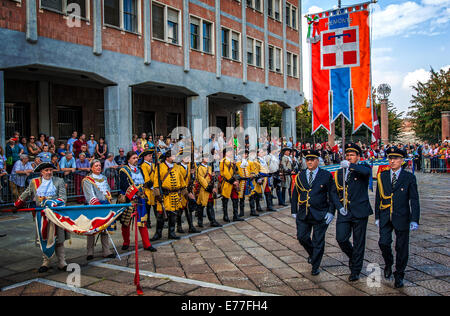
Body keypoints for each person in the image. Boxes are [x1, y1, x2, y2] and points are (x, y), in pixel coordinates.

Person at [375, 146, 420, 288]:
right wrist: (377, 216)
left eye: (396, 158)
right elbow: (378, 198)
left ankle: (399, 274)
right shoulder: (382, 176)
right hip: (385, 215)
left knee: (401, 247)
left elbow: (414, 199)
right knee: (383, 242)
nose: (392, 161)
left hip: (402, 216)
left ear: (402, 160)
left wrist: (414, 219)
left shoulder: (409, 177)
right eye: (390, 158)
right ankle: (388, 262)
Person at [291, 149, 340, 276]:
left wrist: (331, 212)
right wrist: (293, 210)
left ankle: (315, 265)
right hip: (304, 212)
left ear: (318, 161)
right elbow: (295, 193)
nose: (310, 162)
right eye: (307, 160)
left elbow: (332, 194)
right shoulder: (300, 175)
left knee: (318, 240)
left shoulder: (326, 175)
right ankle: (314, 254)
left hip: (320, 212)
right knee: (302, 237)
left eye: (312, 160)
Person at [14, 162, 70, 273]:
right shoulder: (34, 182)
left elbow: (63, 198)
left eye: (50, 170)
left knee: (59, 239)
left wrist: (51, 203)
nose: (49, 172)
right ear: (41, 172)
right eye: (46, 170)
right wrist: (16, 205)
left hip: (56, 214)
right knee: (44, 239)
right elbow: (26, 193)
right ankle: (46, 262)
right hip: (42, 216)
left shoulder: (59, 181)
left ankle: (62, 262)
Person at [333, 143, 373, 282]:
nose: (349, 157)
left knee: (358, 242)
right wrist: (339, 207)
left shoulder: (363, 168)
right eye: (347, 155)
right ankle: (353, 257)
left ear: (358, 157)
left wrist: (350, 166)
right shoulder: (340, 172)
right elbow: (334, 192)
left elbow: (366, 172)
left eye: (352, 155)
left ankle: (355, 270)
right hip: (345, 211)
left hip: (360, 211)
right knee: (341, 238)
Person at [152, 149, 196, 240]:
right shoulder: (160, 167)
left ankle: (171, 233)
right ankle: (158, 233)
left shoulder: (177, 167)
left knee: (173, 215)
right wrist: (157, 195)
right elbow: (156, 183)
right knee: (160, 216)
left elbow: (182, 183)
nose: (175, 158)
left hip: (175, 195)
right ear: (167, 158)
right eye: (173, 156)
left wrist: (186, 195)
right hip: (164, 195)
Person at [118, 151, 156, 252]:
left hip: (140, 198)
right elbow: (124, 185)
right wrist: (135, 192)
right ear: (129, 159)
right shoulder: (123, 170)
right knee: (126, 222)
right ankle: (126, 242)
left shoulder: (140, 169)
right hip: (128, 199)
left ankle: (146, 244)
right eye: (134, 158)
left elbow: (143, 182)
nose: (136, 160)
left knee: (142, 221)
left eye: (137, 158)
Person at [82, 159, 116, 260]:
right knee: (92, 229)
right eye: (96, 166)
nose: (98, 167)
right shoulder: (87, 180)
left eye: (99, 165)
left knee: (104, 229)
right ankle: (90, 252)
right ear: (91, 168)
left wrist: (108, 201)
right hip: (94, 206)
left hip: (105, 205)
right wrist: (97, 205)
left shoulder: (104, 178)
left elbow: (108, 191)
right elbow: (90, 195)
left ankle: (106, 250)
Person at [195, 154, 222, 228]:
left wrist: (213, 176)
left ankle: (212, 220)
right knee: (201, 206)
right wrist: (210, 188)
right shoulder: (199, 168)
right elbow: (201, 180)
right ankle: (200, 222)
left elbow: (212, 179)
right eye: (206, 158)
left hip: (210, 189)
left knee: (210, 206)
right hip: (204, 190)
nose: (207, 159)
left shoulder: (209, 167)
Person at [177, 151, 201, 232]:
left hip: (189, 189)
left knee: (189, 209)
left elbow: (193, 179)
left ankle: (191, 226)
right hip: (182, 191)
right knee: (180, 209)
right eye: (186, 157)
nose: (188, 159)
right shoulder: (179, 167)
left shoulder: (189, 166)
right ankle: (179, 226)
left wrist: (193, 174)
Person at [220, 147, 244, 222]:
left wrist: (234, 165)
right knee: (225, 199)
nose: (231, 153)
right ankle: (225, 216)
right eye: (230, 151)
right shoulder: (223, 161)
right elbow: (225, 173)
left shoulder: (231, 161)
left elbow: (236, 170)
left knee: (235, 198)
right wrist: (233, 181)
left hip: (233, 182)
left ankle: (235, 215)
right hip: (227, 182)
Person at [236, 150, 258, 218]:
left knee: (251, 196)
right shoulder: (238, 163)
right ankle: (241, 212)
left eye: (246, 154)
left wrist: (252, 174)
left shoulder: (250, 163)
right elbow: (236, 172)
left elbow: (254, 170)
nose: (245, 155)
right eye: (243, 154)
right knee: (241, 197)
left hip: (249, 181)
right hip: (241, 182)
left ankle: (253, 210)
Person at [140, 149, 156, 229]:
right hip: (148, 189)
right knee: (147, 208)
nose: (151, 157)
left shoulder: (152, 165)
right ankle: (147, 222)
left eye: (151, 156)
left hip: (154, 189)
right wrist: (153, 186)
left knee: (156, 207)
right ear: (145, 157)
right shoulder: (143, 166)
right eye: (149, 156)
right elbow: (147, 180)